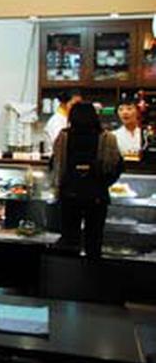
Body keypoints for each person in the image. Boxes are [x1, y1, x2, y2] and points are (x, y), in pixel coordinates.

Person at [51, 102, 123, 258]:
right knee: (94, 240)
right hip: (96, 196)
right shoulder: (107, 138)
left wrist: (63, 183)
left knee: (70, 240)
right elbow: (117, 167)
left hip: (69, 195)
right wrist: (103, 183)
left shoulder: (63, 137)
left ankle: (68, 276)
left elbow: (54, 164)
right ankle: (92, 276)